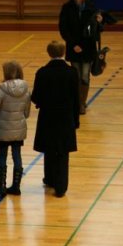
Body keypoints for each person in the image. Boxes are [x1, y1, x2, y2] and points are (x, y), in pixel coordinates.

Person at [31, 41, 80, 198]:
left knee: (49, 148)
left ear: (49, 53)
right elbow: (76, 98)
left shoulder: (42, 72)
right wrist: (76, 120)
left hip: (48, 116)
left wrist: (42, 103)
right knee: (63, 151)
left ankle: (50, 179)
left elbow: (35, 96)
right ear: (64, 52)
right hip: (66, 117)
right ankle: (61, 187)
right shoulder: (72, 72)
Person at [59, 0, 103, 114]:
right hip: (74, 47)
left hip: (88, 47)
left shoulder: (91, 6)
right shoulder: (67, 7)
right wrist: (73, 45)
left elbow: (97, 29)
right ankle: (76, 102)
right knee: (76, 76)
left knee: (85, 76)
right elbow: (63, 28)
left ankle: (82, 103)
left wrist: (100, 22)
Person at [0, 60, 31, 198]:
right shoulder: (26, 89)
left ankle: (2, 186)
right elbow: (27, 113)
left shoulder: (1, 89)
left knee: (2, 155)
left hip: (3, 127)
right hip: (19, 128)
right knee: (17, 155)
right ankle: (16, 186)